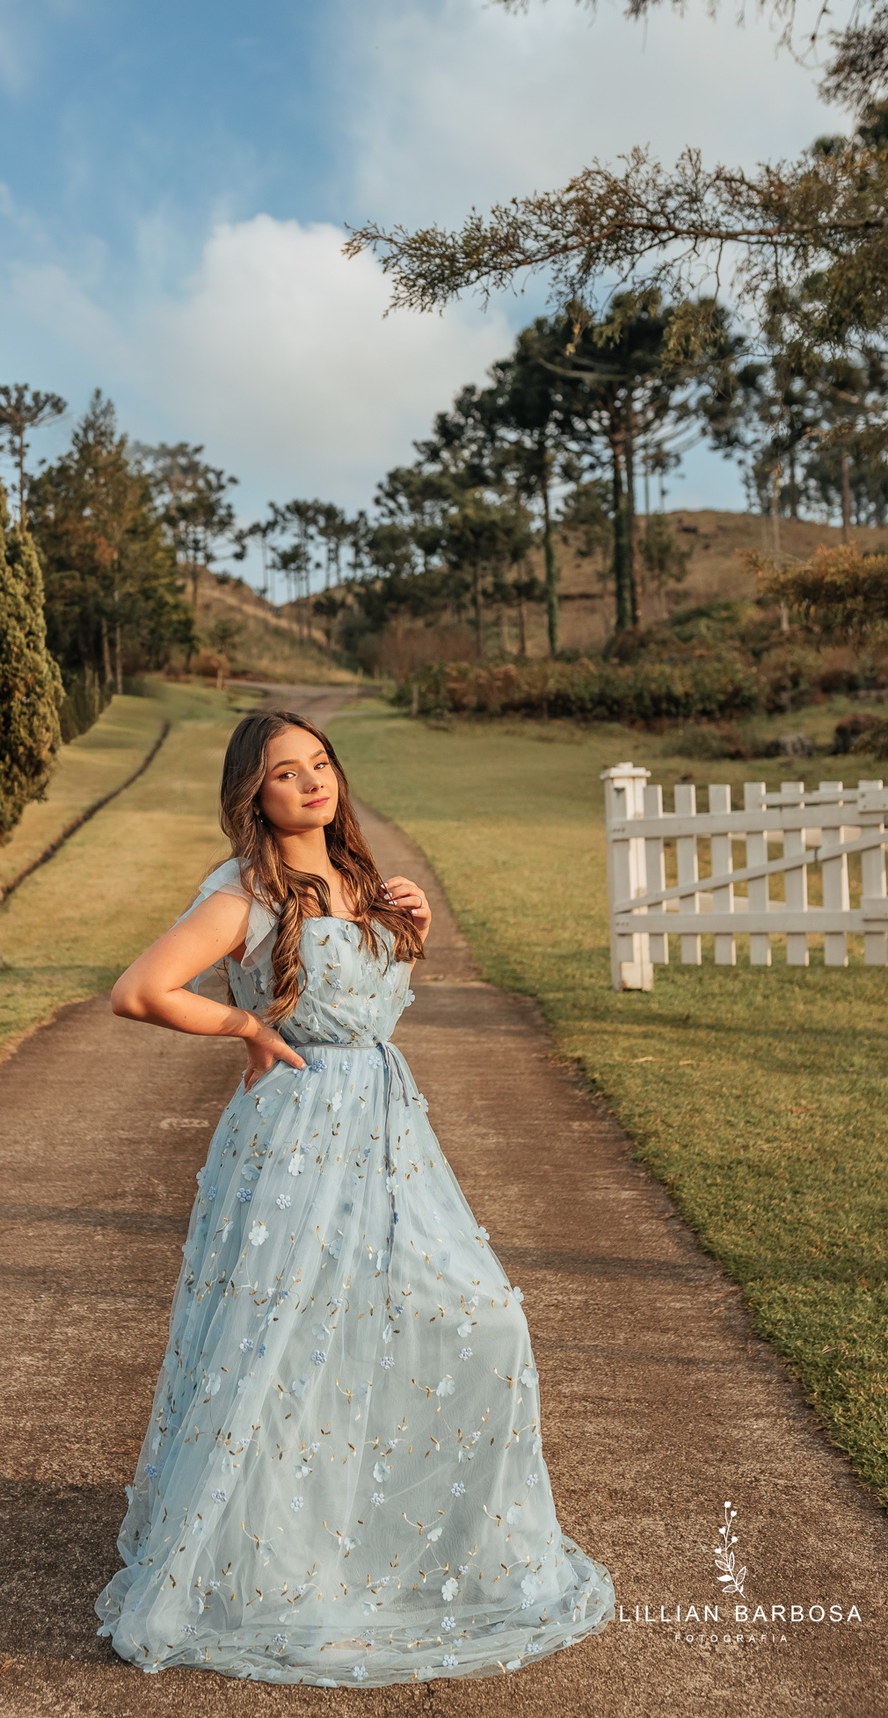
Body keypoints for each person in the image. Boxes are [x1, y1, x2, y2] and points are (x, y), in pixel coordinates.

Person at [95, 709, 614, 1685]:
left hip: (388, 1126)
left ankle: (369, 1534)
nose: (312, 783)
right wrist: (245, 1025)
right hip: (294, 1135)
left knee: (472, 1317)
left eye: (322, 763)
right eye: (287, 773)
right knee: (287, 1340)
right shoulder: (241, 890)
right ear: (255, 793)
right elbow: (139, 989)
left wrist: (409, 934)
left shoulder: (363, 881)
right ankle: (267, 1558)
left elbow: (369, 998)